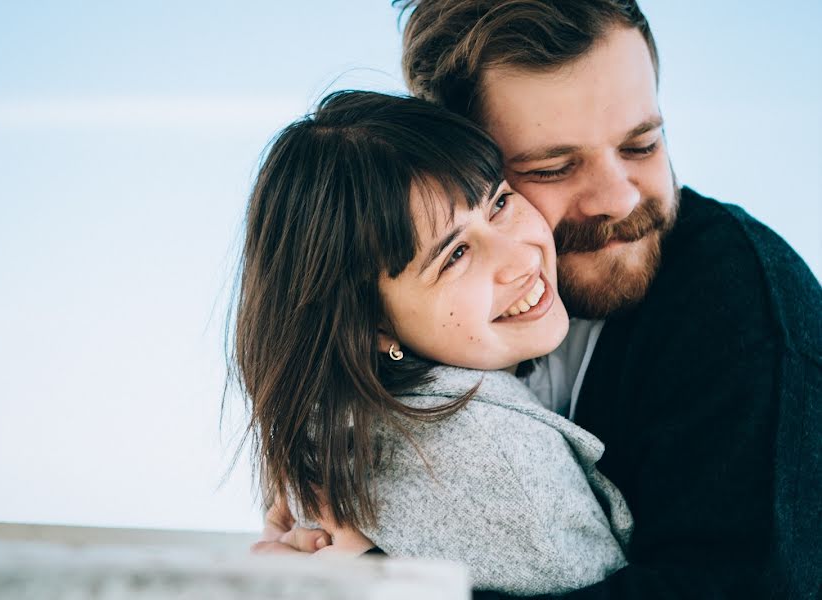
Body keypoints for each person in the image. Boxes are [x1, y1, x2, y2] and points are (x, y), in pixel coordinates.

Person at [256, 1, 822, 599]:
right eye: (553, 167)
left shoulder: (744, 318)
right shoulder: (406, 371)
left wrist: (386, 585)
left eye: (643, 145)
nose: (618, 199)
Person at [235, 90, 635, 594]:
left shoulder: (338, 437)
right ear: (374, 326)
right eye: (455, 255)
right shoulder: (492, 454)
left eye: (501, 202)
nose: (519, 258)